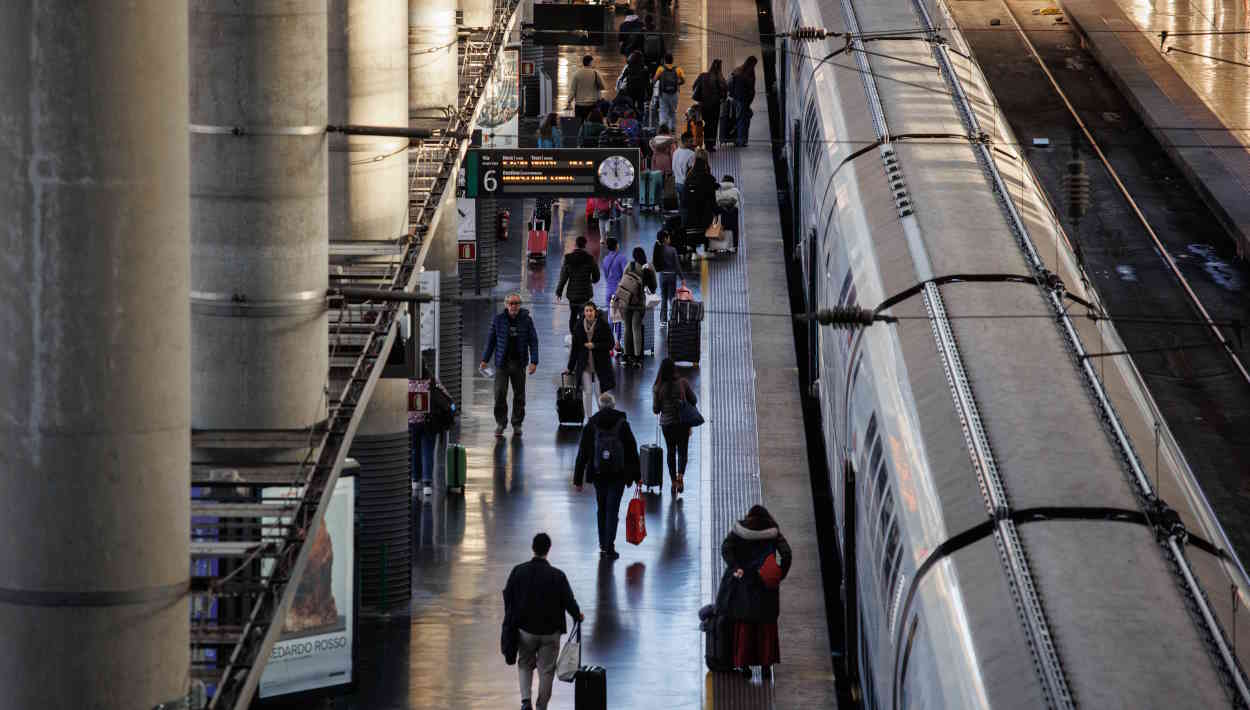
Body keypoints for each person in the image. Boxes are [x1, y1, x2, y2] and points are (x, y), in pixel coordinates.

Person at [503, 532, 585, 710]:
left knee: (525, 663)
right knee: (546, 671)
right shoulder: (558, 576)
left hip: (526, 630)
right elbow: (569, 601)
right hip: (550, 633)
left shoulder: (519, 571)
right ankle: (541, 706)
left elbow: (507, 596)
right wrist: (578, 615)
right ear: (548, 550)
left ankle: (526, 701)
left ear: (533, 548)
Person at [719, 505, 792, 677]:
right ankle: (766, 666)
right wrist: (780, 573)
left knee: (745, 627)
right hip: (766, 586)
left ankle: (744, 666)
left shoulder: (740, 530)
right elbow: (787, 554)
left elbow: (725, 548)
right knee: (766, 627)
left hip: (744, 585)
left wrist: (736, 567)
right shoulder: (773, 531)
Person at [572, 392, 642, 560]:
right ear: (613, 405)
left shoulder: (592, 424)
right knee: (612, 510)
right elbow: (632, 451)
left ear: (600, 406)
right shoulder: (622, 424)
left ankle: (602, 544)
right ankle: (610, 546)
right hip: (618, 475)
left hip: (598, 474)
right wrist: (637, 476)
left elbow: (582, 452)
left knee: (601, 508)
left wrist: (578, 479)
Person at [481, 293, 539, 438]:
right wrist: (484, 359)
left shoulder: (527, 320)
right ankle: (501, 423)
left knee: (519, 396)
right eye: (511, 303)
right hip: (502, 364)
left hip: (519, 364)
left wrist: (534, 361)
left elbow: (533, 341)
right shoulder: (498, 320)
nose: (513, 306)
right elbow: (491, 341)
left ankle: (517, 424)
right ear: (506, 305)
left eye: (516, 303)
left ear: (520, 305)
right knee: (500, 393)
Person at [409, 358, 454, 497]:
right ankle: (427, 483)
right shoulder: (431, 380)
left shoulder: (406, 381)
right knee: (428, 451)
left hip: (411, 423)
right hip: (430, 421)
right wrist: (452, 408)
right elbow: (446, 396)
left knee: (415, 451)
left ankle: (415, 480)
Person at [652, 357, 695, 495]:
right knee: (683, 451)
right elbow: (694, 400)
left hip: (667, 425)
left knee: (671, 452)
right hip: (682, 423)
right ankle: (680, 476)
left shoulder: (658, 387)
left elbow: (656, 409)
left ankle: (673, 482)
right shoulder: (683, 383)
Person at [565, 301, 616, 418]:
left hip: (600, 364)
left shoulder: (603, 325)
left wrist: (595, 345)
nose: (589, 313)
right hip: (585, 364)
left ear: (595, 312)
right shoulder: (578, 326)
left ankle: (602, 416)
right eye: (587, 311)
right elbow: (575, 349)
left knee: (599, 392)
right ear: (584, 313)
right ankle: (589, 418)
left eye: (591, 311)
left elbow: (610, 343)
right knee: (587, 392)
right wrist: (570, 367)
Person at [618, 247, 657, 367]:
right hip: (639, 302)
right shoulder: (648, 268)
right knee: (636, 328)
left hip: (625, 301)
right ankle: (637, 357)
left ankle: (626, 355)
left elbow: (622, 280)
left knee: (627, 327)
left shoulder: (630, 265)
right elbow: (653, 287)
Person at [556, 235, 602, 333]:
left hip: (572, 294)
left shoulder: (568, 258)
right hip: (585, 293)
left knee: (573, 314)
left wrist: (559, 291)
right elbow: (597, 277)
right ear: (585, 245)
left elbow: (563, 277)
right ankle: (583, 334)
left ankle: (573, 336)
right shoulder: (590, 258)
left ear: (575, 244)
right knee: (584, 315)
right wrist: (591, 281)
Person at [683, 156, 720, 250]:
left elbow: (685, 197)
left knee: (693, 231)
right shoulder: (708, 178)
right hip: (705, 211)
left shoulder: (689, 178)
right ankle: (707, 248)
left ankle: (693, 250)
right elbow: (712, 197)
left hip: (691, 212)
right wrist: (716, 210)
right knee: (706, 229)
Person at [692, 59, 728, 150]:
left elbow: (694, 86)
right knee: (713, 125)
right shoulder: (720, 78)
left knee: (705, 123)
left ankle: (702, 141)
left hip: (703, 105)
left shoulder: (703, 76)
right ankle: (710, 145)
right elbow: (724, 92)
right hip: (715, 106)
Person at [651, 229, 685, 323]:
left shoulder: (658, 249)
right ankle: (673, 318)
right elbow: (677, 266)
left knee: (664, 298)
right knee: (671, 298)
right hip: (671, 276)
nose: (670, 239)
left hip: (662, 276)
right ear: (665, 239)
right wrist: (682, 278)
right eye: (668, 237)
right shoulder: (672, 250)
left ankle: (663, 320)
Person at [642, 124, 677, 212]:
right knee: (667, 185)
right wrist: (673, 166)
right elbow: (673, 153)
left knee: (657, 184)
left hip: (656, 162)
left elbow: (651, 148)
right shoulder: (671, 140)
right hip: (667, 162)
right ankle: (665, 204)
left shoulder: (654, 139)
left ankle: (656, 204)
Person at [601, 237, 628, 352]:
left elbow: (606, 276)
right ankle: (617, 342)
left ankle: (608, 342)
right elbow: (626, 275)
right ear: (616, 245)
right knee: (618, 317)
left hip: (608, 290)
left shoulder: (605, 259)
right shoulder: (621, 258)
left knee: (610, 316)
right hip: (618, 291)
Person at [727, 56, 758, 147]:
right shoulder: (747, 74)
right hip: (742, 101)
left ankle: (740, 140)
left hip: (737, 100)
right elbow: (751, 89)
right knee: (742, 120)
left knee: (741, 119)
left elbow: (729, 84)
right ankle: (741, 140)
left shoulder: (738, 70)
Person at [567, 54, 605, 124]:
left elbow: (572, 90)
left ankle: (581, 134)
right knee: (592, 125)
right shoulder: (595, 73)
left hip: (579, 105)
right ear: (590, 62)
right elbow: (603, 87)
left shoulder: (577, 74)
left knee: (579, 126)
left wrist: (569, 101)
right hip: (592, 105)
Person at [652, 53, 685, 134]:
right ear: (672, 60)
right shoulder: (678, 69)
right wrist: (677, 84)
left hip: (663, 94)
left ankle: (663, 128)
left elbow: (654, 80)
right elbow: (683, 81)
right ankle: (672, 129)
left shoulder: (660, 69)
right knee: (672, 111)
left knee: (663, 110)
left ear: (664, 60)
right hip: (674, 94)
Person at [716, 174, 742, 251]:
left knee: (722, 228)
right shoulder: (736, 190)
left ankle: (723, 246)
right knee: (734, 229)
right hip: (733, 211)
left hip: (722, 212)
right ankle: (735, 246)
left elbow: (717, 201)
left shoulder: (718, 190)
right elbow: (739, 201)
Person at [671, 133, 696, 210]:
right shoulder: (691, 154)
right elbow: (693, 169)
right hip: (686, 183)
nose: (693, 143)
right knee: (688, 207)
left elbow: (673, 167)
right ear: (685, 142)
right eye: (690, 141)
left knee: (680, 207)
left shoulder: (675, 152)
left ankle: (681, 220)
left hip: (677, 182)